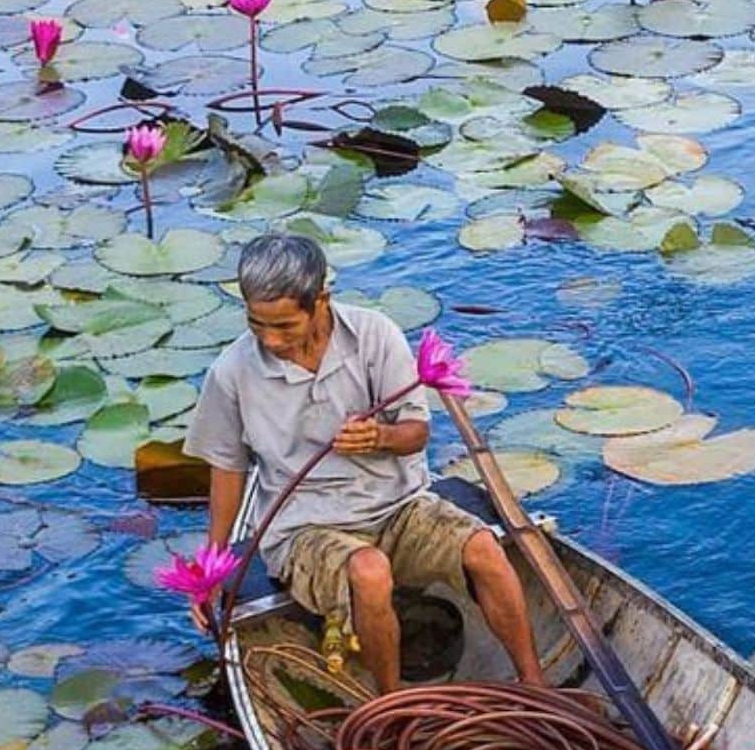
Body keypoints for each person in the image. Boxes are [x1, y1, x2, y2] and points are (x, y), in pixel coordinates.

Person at [183, 233, 546, 693]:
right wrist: (210, 572)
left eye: (285, 327)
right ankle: (391, 704)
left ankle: (534, 682)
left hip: (397, 507)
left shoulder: (375, 336)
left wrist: (380, 436)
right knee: (370, 571)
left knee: (483, 548)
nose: (271, 341)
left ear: (320, 302)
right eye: (258, 325)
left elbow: (417, 434)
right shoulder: (231, 372)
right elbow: (228, 471)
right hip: (305, 530)